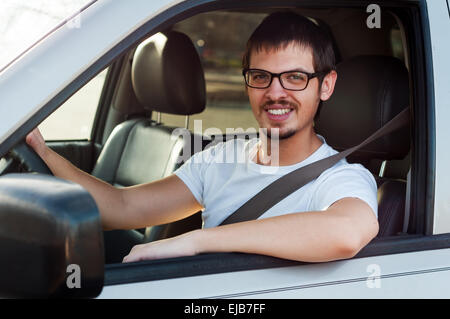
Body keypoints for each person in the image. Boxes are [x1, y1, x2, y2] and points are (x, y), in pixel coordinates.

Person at [26, 12, 379, 263]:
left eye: (295, 78)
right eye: (261, 76)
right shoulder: (219, 159)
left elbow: (346, 233)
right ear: (248, 82)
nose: (275, 93)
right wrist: (41, 149)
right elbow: (120, 208)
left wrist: (198, 242)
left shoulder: (342, 178)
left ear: (326, 85)